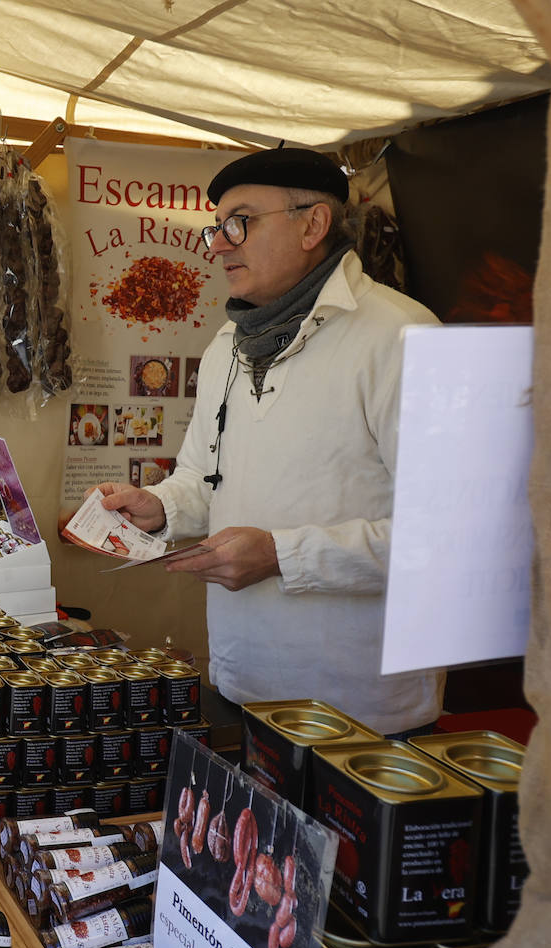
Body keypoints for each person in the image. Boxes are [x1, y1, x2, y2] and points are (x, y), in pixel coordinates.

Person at [89, 148, 443, 737]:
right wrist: (161, 507)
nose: (218, 245)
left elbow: (441, 537)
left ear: (313, 225)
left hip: (359, 708)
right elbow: (205, 477)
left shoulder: (401, 337)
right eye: (217, 227)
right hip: (241, 683)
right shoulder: (228, 345)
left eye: (240, 223)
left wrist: (280, 555)